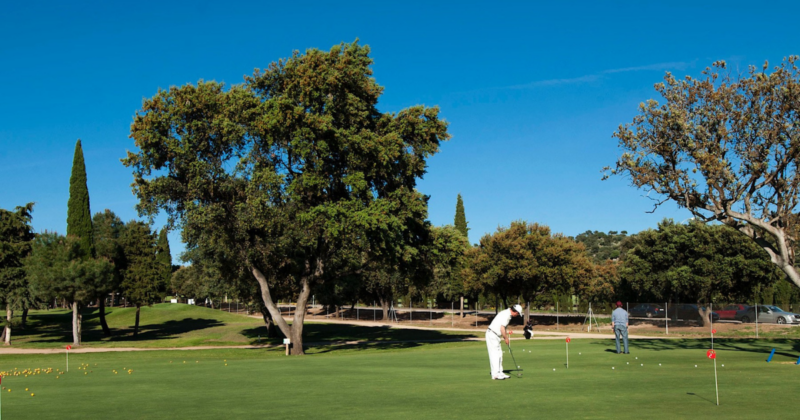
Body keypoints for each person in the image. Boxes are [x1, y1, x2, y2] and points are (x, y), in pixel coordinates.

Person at [485, 304, 522, 380]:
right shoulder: (506, 315)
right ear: (515, 312)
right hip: (492, 334)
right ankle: (495, 374)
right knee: (494, 354)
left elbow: (502, 328)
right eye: (518, 314)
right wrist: (506, 338)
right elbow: (502, 328)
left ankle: (500, 372)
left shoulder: (507, 313)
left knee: (499, 354)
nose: (517, 315)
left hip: (495, 335)